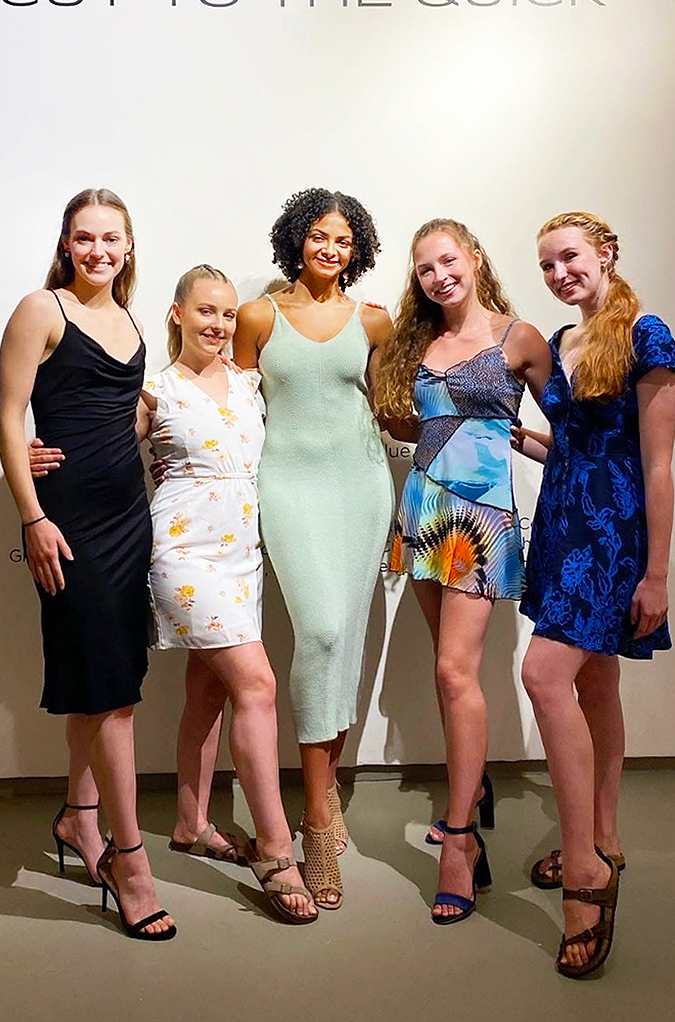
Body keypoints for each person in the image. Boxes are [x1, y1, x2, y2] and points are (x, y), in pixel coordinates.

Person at [0, 188, 175, 941]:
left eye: (111, 238)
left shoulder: (133, 320)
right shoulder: (42, 309)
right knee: (114, 695)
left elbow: (124, 417)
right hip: (67, 524)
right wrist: (32, 516)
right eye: (84, 237)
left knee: (100, 681)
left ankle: (79, 815)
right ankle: (130, 863)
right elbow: (9, 418)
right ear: (66, 244)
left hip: (130, 519)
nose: (98, 250)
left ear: (128, 247)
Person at [516, 211, 675, 977]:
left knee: (542, 673)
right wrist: (525, 441)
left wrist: (657, 573)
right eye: (548, 265)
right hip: (562, 526)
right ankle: (605, 837)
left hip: (611, 537)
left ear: (606, 253)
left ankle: (585, 869)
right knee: (596, 683)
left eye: (571, 257)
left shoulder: (647, 335)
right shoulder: (561, 341)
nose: (560, 274)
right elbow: (580, 444)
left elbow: (655, 463)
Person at [374, 218, 550, 925]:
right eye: (426, 269)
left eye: (448, 261)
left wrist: (539, 448)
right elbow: (408, 425)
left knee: (455, 672)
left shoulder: (519, 338)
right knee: (445, 673)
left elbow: (575, 429)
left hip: (481, 518)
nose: (440, 276)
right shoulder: (415, 342)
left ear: (474, 257)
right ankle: (470, 793)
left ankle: (458, 840)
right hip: (424, 508)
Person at [137, 265, 317, 924]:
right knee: (257, 686)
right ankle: (275, 848)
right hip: (183, 555)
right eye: (205, 311)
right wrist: (38, 457)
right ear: (178, 313)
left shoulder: (248, 382)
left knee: (208, 691)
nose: (217, 324)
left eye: (227, 314)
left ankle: (191, 822)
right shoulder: (154, 391)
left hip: (243, 558)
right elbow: (101, 453)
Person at [232, 187, 395, 909]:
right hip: (289, 488)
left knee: (345, 640)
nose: (331, 250)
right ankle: (319, 821)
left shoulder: (374, 320)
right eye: (320, 236)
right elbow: (232, 406)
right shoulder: (258, 317)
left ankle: (322, 798)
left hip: (362, 487)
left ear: (358, 250)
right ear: (297, 238)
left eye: (344, 240)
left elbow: (394, 409)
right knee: (321, 633)